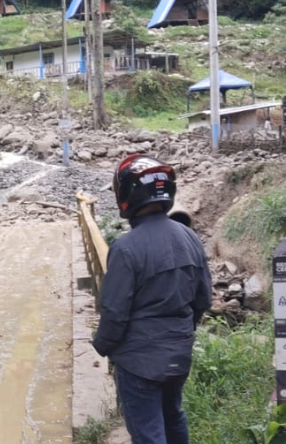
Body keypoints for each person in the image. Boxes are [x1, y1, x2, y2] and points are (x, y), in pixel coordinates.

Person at [92, 155, 212, 444]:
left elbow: (114, 312)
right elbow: (203, 297)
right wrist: (182, 331)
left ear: (127, 195)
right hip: (178, 354)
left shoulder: (125, 248)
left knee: (148, 433)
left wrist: (103, 346)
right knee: (173, 417)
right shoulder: (189, 236)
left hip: (139, 361)